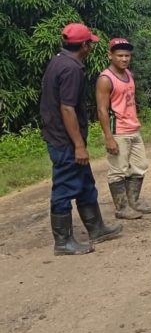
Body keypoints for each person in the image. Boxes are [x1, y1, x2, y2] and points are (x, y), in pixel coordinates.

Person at [40, 23, 123, 256]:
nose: (90, 47)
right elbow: (67, 108)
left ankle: (97, 228)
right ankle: (63, 242)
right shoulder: (71, 69)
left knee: (86, 184)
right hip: (65, 140)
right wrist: (78, 145)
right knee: (64, 187)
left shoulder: (58, 61)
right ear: (84, 46)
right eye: (90, 43)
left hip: (61, 136)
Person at [96, 38, 151, 220]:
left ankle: (134, 201)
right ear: (110, 56)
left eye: (127, 55)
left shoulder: (129, 74)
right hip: (118, 130)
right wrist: (108, 137)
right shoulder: (106, 79)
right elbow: (102, 109)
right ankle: (121, 207)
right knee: (118, 170)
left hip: (133, 128)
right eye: (120, 55)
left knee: (139, 166)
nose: (124, 59)